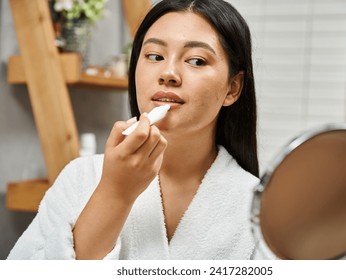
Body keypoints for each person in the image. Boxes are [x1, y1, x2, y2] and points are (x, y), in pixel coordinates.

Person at [8, 0, 261, 260]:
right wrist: (114, 193)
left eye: (196, 60)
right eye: (154, 56)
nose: (168, 73)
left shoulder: (261, 208)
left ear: (233, 88)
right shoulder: (79, 178)